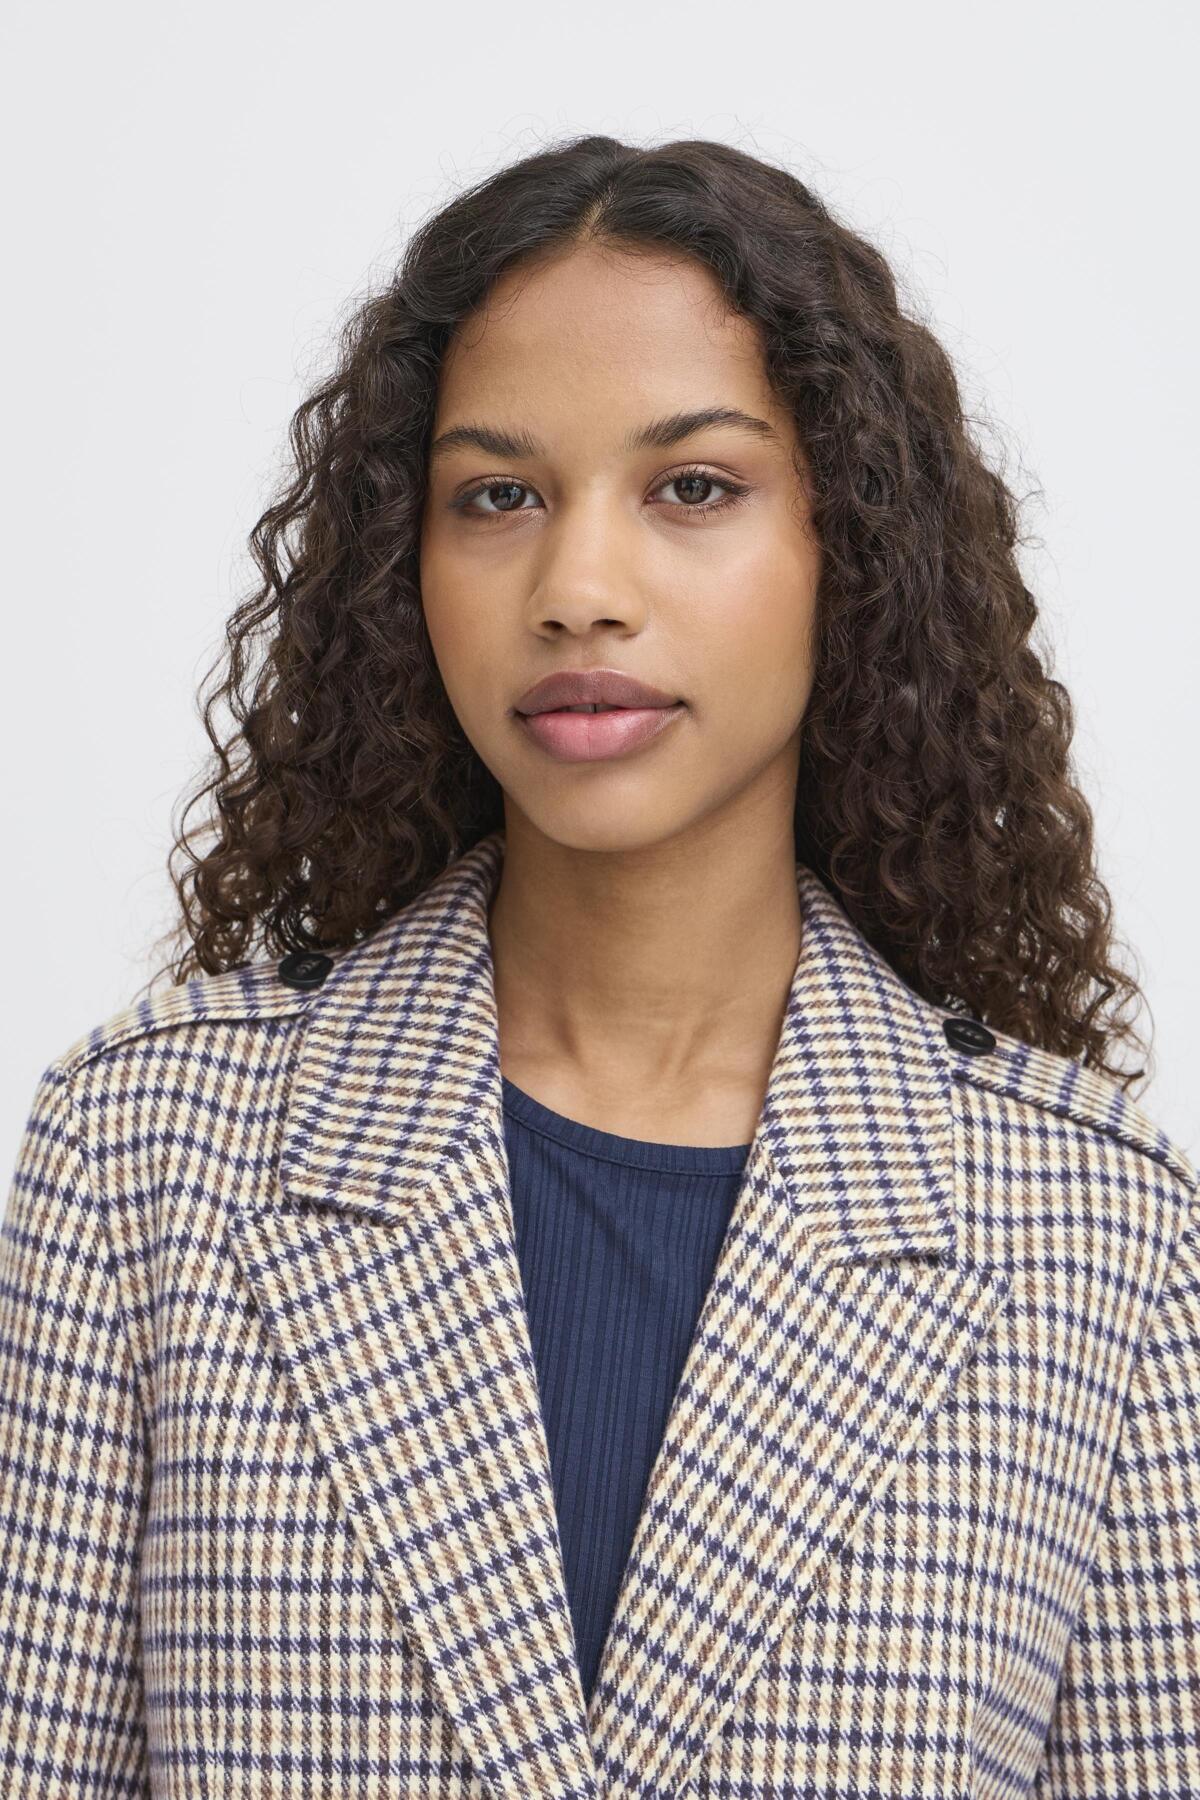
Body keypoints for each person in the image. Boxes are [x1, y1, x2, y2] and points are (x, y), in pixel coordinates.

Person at [1, 133, 1196, 1800]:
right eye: (498, 496)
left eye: (693, 487)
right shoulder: (146, 1157)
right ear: (404, 567)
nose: (577, 591)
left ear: (852, 547)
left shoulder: (1096, 1238)